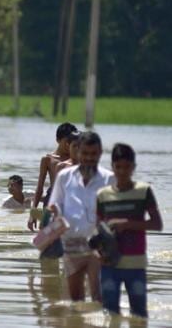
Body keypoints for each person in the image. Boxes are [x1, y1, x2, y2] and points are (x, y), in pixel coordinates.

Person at [96, 143, 163, 318]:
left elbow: (157, 224)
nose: (122, 172)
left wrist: (127, 224)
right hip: (109, 264)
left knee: (139, 315)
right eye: (118, 167)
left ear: (133, 167)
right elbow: (97, 229)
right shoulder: (103, 195)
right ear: (112, 167)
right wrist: (99, 251)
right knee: (110, 315)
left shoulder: (143, 191)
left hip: (136, 264)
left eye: (127, 167)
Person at [47, 131, 115, 303]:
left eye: (93, 154)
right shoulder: (65, 177)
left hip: (98, 245)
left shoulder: (109, 179)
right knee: (75, 298)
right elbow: (55, 205)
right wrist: (54, 212)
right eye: (85, 153)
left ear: (100, 153)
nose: (89, 158)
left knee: (97, 296)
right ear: (78, 152)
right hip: (71, 243)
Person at [28, 122, 78, 231]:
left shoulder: (76, 160)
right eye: (66, 142)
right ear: (58, 140)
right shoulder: (48, 159)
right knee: (47, 233)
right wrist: (33, 213)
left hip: (69, 199)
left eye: (72, 143)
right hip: (51, 198)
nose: (68, 146)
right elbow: (39, 188)